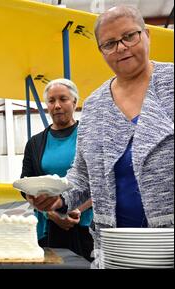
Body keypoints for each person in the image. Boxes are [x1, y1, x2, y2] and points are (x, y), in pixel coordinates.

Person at [31, 5, 174, 255]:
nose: (121, 47)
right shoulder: (95, 104)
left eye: (129, 36)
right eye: (109, 43)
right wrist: (59, 198)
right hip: (114, 249)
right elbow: (82, 176)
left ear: (147, 35)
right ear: (101, 51)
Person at [21, 79, 94, 261]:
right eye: (52, 101)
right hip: (48, 226)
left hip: (85, 225)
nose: (57, 105)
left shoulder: (89, 137)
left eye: (63, 99)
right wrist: (51, 212)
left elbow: (101, 181)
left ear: (75, 102)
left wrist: (76, 208)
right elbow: (25, 185)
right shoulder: (35, 143)